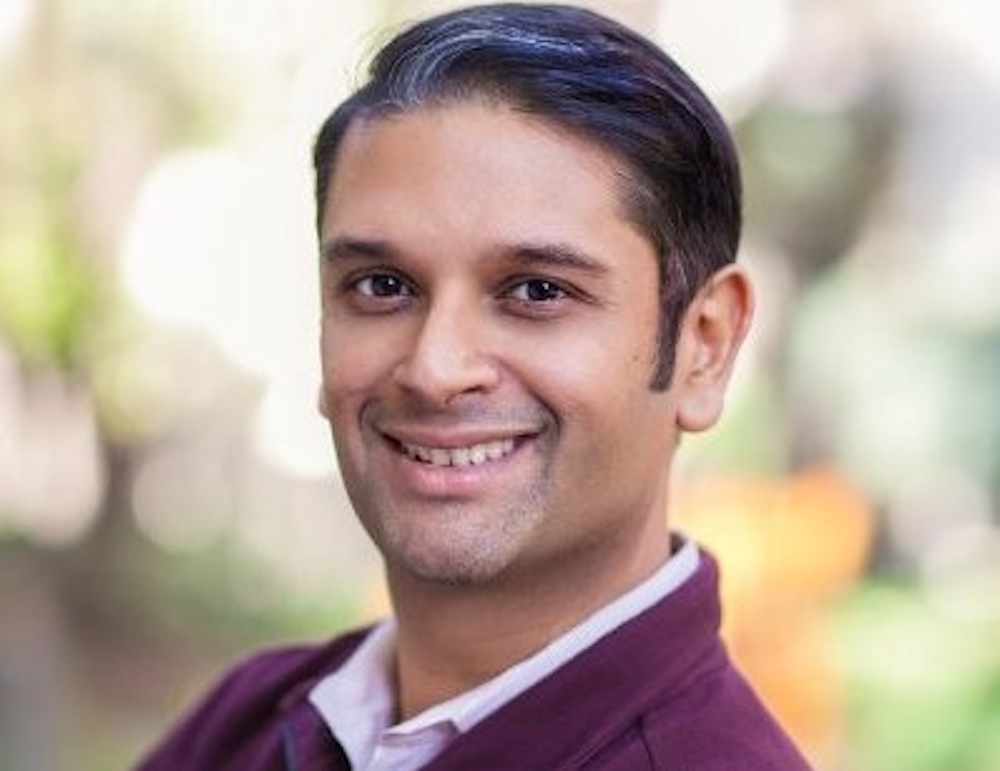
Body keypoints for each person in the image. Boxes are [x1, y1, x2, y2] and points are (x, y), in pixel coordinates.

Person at [136, 4, 813, 769]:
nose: (435, 368)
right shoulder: (245, 726)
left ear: (704, 347)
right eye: (382, 285)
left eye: (537, 291)